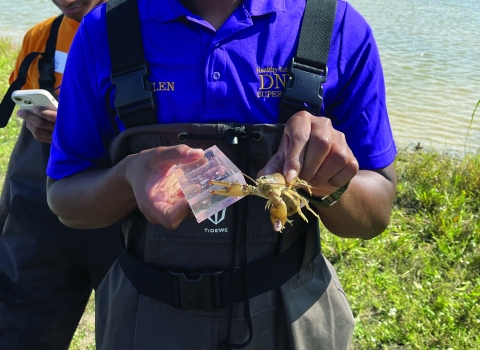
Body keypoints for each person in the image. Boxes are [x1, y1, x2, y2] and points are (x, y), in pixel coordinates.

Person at [46, 0, 398, 348]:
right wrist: (126, 177)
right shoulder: (104, 29)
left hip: (290, 318)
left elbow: (375, 215)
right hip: (146, 317)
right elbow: (65, 199)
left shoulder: (336, 26)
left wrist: (327, 183)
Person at [0, 1, 121, 349]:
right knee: (20, 325)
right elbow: (17, 105)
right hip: (40, 213)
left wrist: (87, 130)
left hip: (121, 206)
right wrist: (35, 119)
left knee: (132, 326)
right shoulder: (40, 38)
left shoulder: (148, 34)